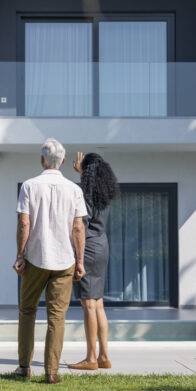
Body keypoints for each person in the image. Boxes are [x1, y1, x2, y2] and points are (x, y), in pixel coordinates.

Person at [13, 138, 87, 384]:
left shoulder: (29, 186)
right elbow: (78, 228)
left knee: (27, 311)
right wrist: (79, 261)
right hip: (64, 260)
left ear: (42, 160)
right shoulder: (75, 190)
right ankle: (51, 372)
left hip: (35, 257)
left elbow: (24, 223)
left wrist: (20, 255)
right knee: (57, 316)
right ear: (64, 161)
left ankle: (24, 367)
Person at [68, 152, 118, 371]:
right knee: (98, 303)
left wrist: (77, 259)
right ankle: (104, 356)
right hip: (102, 246)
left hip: (87, 249)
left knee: (88, 304)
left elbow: (81, 226)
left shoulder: (82, 192)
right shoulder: (102, 193)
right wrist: (82, 172)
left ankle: (90, 359)